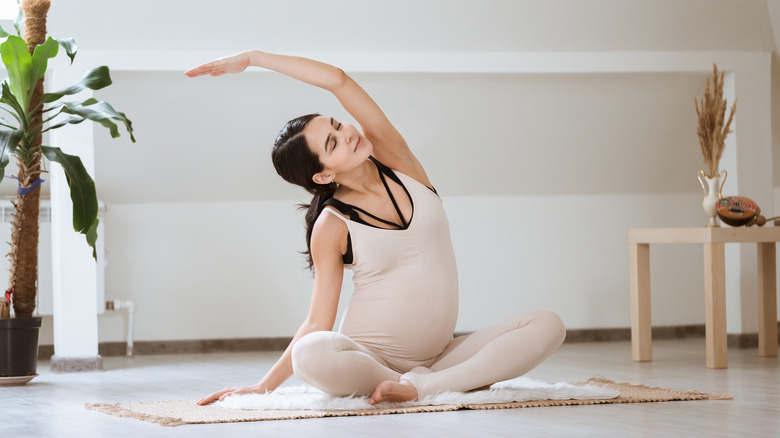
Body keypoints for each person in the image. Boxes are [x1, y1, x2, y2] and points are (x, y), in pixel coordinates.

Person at [185, 50, 566, 406]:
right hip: (368, 358)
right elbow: (319, 321)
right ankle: (440, 383)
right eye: (334, 143)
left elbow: (338, 80)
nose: (348, 133)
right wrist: (263, 386)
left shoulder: (401, 166)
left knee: (547, 325)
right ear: (324, 174)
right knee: (311, 353)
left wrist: (254, 58)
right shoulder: (332, 225)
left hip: (439, 355)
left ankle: (422, 386)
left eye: (337, 124)